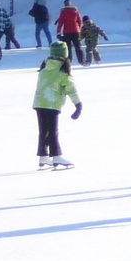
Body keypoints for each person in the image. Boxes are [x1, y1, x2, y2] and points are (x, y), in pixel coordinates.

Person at [33, 41, 82, 169]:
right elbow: (71, 89)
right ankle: (56, 156)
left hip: (39, 103)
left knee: (43, 131)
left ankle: (43, 156)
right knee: (53, 131)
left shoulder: (44, 68)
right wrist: (78, 105)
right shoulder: (62, 71)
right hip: (51, 104)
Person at [55, 0, 85, 65]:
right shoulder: (75, 11)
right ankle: (82, 61)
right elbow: (79, 20)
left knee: (68, 48)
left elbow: (60, 22)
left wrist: (58, 32)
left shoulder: (63, 12)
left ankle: (69, 62)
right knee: (78, 46)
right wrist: (78, 28)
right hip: (76, 31)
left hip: (67, 32)